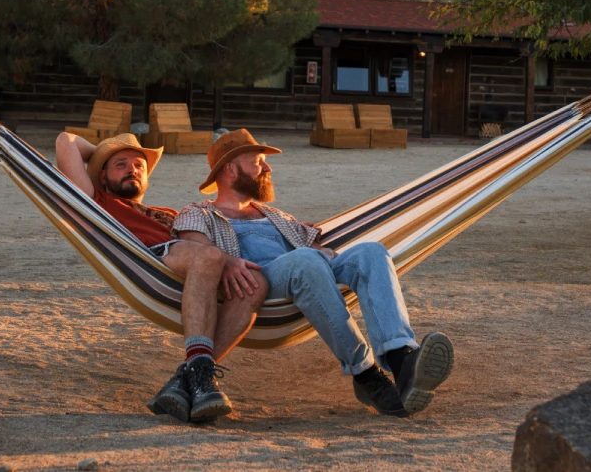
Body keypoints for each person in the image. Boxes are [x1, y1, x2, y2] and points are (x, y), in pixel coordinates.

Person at [172, 129, 453, 417]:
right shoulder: (199, 213)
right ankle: (365, 373)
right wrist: (230, 261)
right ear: (230, 170)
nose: (267, 168)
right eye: (258, 161)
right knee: (306, 260)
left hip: (309, 271)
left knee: (371, 251)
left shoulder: (276, 215)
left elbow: (318, 249)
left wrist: (331, 257)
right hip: (264, 282)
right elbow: (199, 253)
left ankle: (400, 358)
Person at [55, 132, 267, 422]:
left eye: (139, 165)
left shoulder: (169, 213)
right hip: (155, 259)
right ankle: (203, 379)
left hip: (200, 269)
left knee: (254, 284)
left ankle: (187, 379)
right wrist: (102, 152)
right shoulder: (97, 201)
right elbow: (65, 141)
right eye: (121, 164)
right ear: (102, 177)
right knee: (209, 256)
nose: (133, 168)